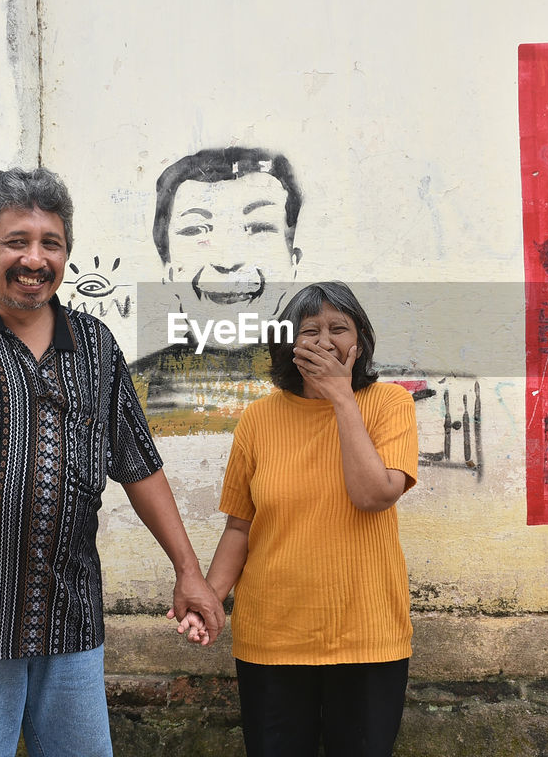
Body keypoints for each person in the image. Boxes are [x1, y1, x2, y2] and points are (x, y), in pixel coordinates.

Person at [0, 167, 223, 757]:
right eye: (16, 241)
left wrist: (188, 569)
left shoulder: (94, 344)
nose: (35, 258)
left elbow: (137, 463)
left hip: (71, 620)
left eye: (50, 243)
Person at [176, 280, 419, 756]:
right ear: (288, 345)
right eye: (309, 330)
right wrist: (209, 598)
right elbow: (240, 527)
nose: (325, 341)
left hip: (367, 638)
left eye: (338, 328)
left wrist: (342, 398)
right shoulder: (259, 419)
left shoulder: (389, 405)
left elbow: (374, 495)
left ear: (360, 342)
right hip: (273, 638)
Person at [133, 146, 305, 435]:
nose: (227, 262)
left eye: (259, 227)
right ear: (169, 268)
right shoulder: (130, 392)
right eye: (196, 230)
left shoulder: (330, 384)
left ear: (292, 264)